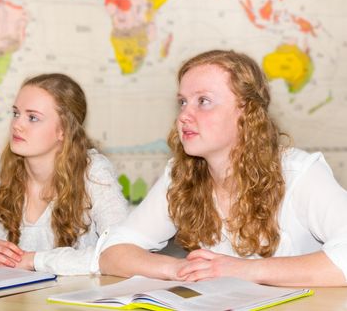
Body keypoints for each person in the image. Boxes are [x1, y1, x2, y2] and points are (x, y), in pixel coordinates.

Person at [98, 50, 347, 286]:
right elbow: (113, 251)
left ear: (246, 112)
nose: (184, 115)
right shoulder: (181, 174)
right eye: (183, 102)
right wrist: (180, 269)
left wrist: (241, 270)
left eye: (203, 101)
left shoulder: (299, 173)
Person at [0, 73, 128, 275]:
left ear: (64, 130)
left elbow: (121, 252)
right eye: (16, 113)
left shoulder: (94, 172)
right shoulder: (0, 170)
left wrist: (34, 260)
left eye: (32, 118)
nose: (17, 125)